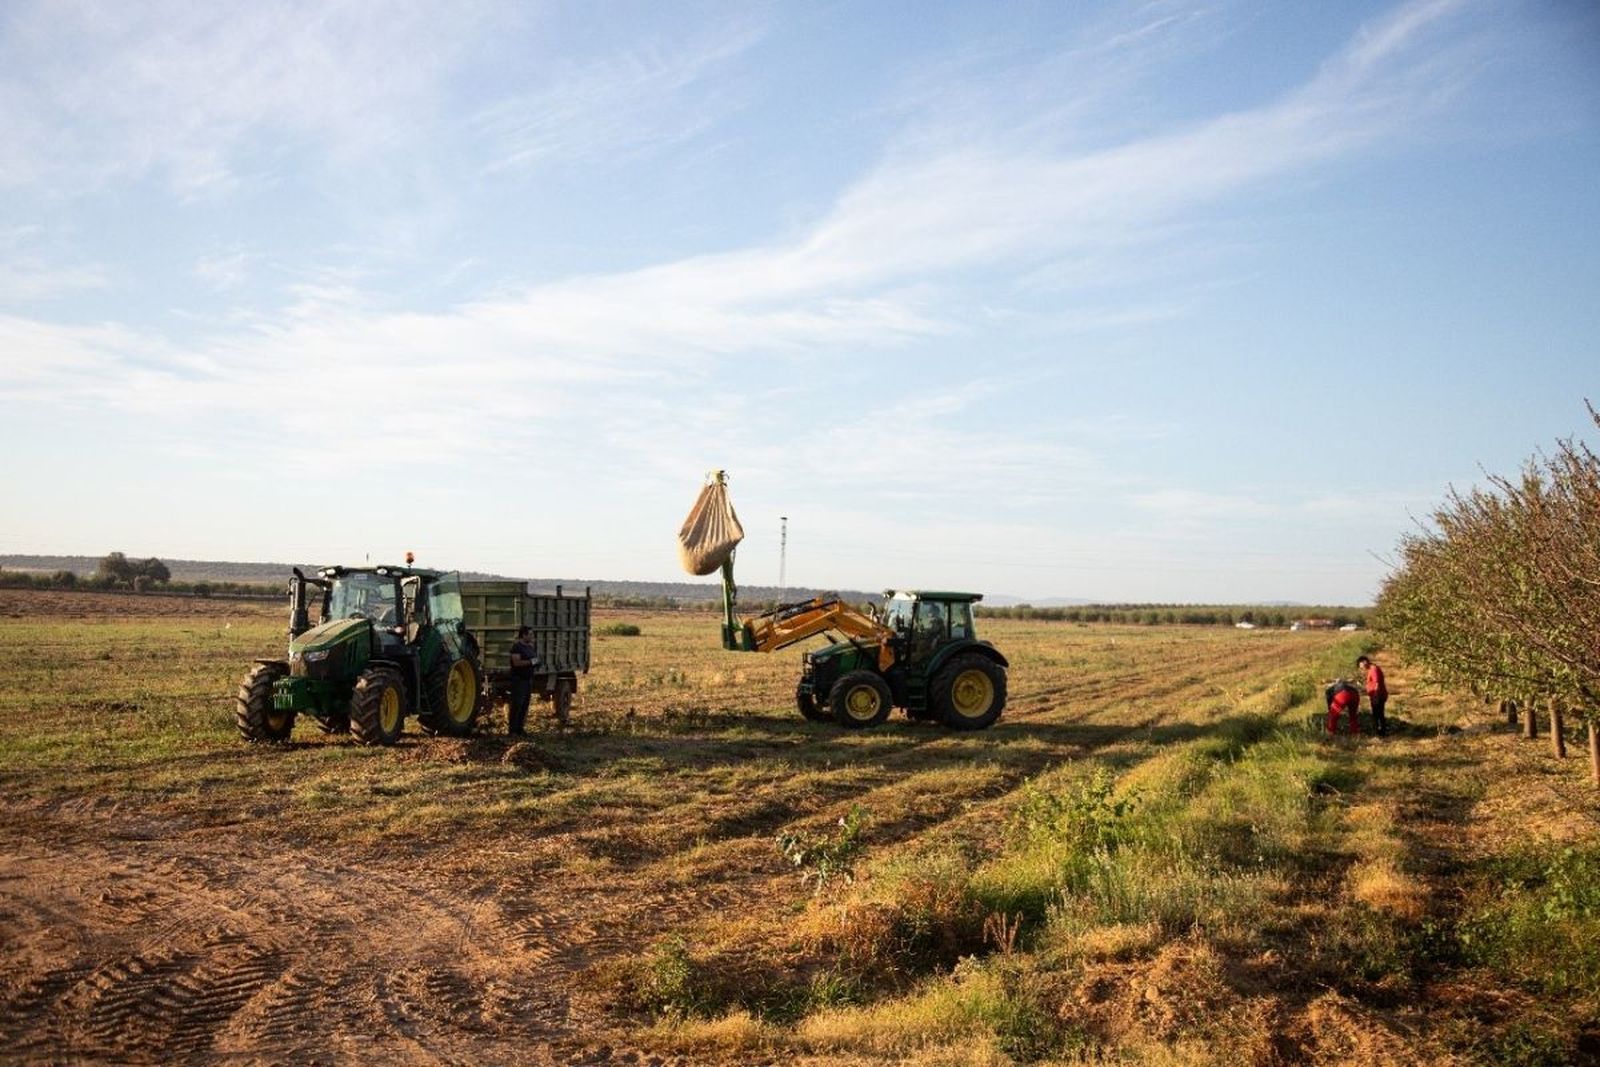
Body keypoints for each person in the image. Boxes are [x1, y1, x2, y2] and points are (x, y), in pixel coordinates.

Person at [508, 625, 540, 736]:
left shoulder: (530, 647)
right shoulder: (517, 647)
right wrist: (531, 662)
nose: (532, 636)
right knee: (517, 705)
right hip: (519, 680)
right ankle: (512, 730)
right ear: (523, 635)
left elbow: (533, 660)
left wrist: (536, 662)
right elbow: (516, 663)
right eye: (530, 634)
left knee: (524, 706)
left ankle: (520, 729)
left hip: (528, 680)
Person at [1357, 655, 1388, 737]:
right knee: (1378, 714)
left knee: (1378, 714)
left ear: (1364, 662)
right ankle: (1380, 731)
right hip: (1376, 695)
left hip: (1378, 696)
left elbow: (1376, 684)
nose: (1362, 668)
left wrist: (1375, 696)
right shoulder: (1371, 669)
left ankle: (1380, 732)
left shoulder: (1373, 669)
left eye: (1361, 666)